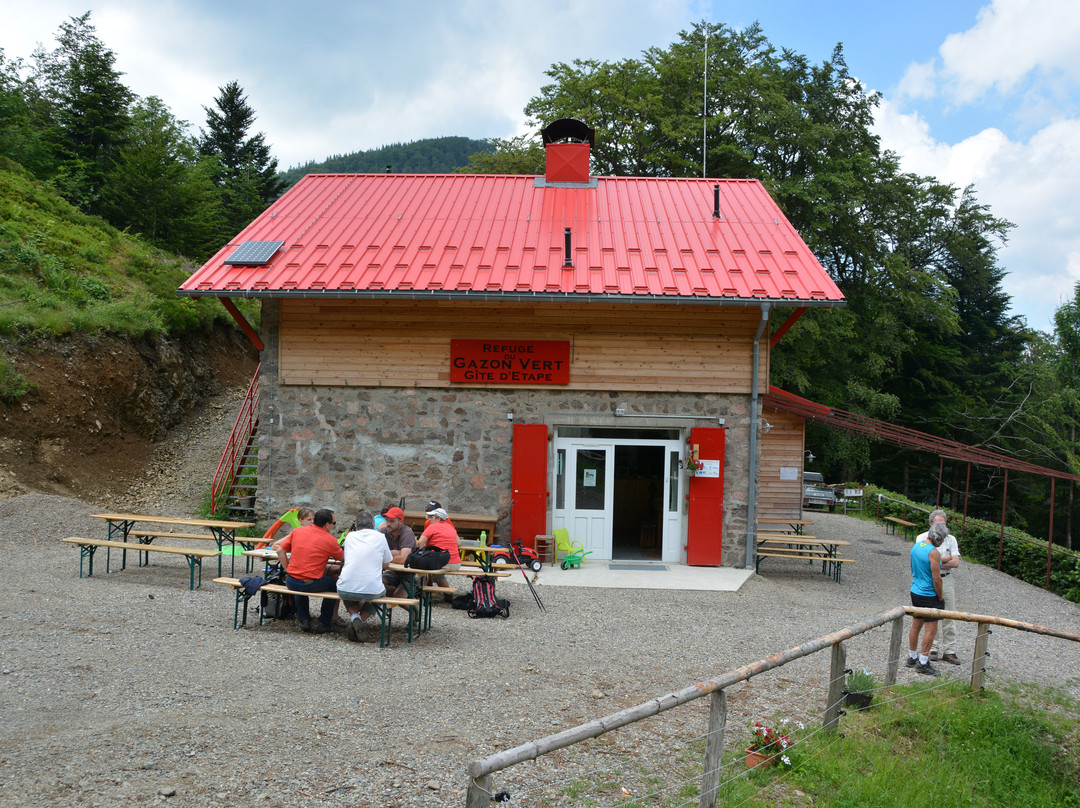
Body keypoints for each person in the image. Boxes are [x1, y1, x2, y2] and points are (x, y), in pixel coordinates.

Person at [276, 508, 344, 634]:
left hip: (291, 581)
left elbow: (280, 551)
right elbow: (343, 558)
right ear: (327, 524)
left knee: (301, 582)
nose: (334, 526)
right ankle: (324, 622)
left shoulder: (297, 531)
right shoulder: (330, 540)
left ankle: (304, 619)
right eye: (334, 524)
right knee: (334, 585)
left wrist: (288, 571)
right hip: (310, 583)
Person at [337, 512, 392, 643]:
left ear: (356, 525)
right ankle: (359, 620)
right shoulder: (380, 537)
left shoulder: (350, 536)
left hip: (345, 588)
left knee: (346, 588)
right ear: (373, 525)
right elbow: (387, 563)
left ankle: (354, 617)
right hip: (372, 589)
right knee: (379, 594)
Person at [921, 509, 962, 665]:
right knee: (931, 615)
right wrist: (945, 560)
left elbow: (956, 563)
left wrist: (936, 562)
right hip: (929, 580)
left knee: (950, 614)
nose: (941, 527)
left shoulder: (951, 539)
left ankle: (950, 650)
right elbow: (924, 561)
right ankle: (933, 648)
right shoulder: (922, 538)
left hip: (947, 580)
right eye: (938, 524)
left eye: (943, 524)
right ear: (931, 523)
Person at [906, 522, 947, 676]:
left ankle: (912, 657)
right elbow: (937, 579)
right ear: (939, 539)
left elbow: (913, 568)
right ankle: (923, 662)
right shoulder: (934, 552)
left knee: (916, 624)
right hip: (929, 594)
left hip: (915, 590)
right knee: (931, 628)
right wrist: (940, 596)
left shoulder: (916, 546)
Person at [418, 506, 461, 593]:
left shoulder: (432, 527)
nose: (429, 519)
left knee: (422, 570)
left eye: (431, 517)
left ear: (438, 518)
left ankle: (423, 593)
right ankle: (445, 594)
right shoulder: (450, 527)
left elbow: (420, 543)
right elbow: (459, 543)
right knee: (434, 573)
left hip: (442, 562)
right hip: (456, 563)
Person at [380, 506, 418, 599]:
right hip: (395, 572)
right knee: (376, 585)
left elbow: (403, 559)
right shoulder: (383, 532)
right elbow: (374, 554)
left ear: (401, 522)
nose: (388, 524)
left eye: (392, 521)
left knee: (399, 596)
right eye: (387, 520)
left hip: (411, 573)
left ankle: (415, 611)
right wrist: (396, 553)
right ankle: (403, 593)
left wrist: (387, 555)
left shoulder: (407, 532)